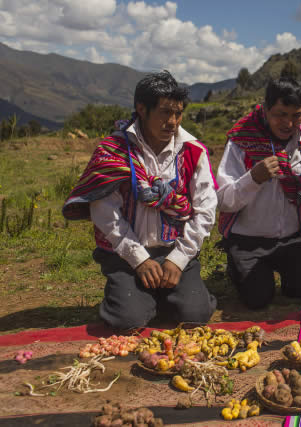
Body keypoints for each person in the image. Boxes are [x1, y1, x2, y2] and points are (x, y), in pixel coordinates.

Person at [63, 70, 218, 330]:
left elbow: (205, 210)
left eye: (178, 113)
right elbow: (104, 212)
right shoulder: (113, 151)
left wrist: (178, 259)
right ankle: (135, 294)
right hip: (126, 256)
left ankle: (164, 292)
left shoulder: (193, 151)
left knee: (195, 314)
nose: (172, 121)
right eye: (165, 112)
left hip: (174, 249)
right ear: (142, 109)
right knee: (127, 320)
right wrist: (140, 260)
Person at [216, 77, 301, 309]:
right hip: (247, 240)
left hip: (291, 239)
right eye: (280, 114)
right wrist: (253, 178)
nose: (288, 123)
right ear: (265, 109)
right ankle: (237, 265)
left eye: (297, 115)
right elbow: (223, 201)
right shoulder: (241, 142)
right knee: (257, 298)